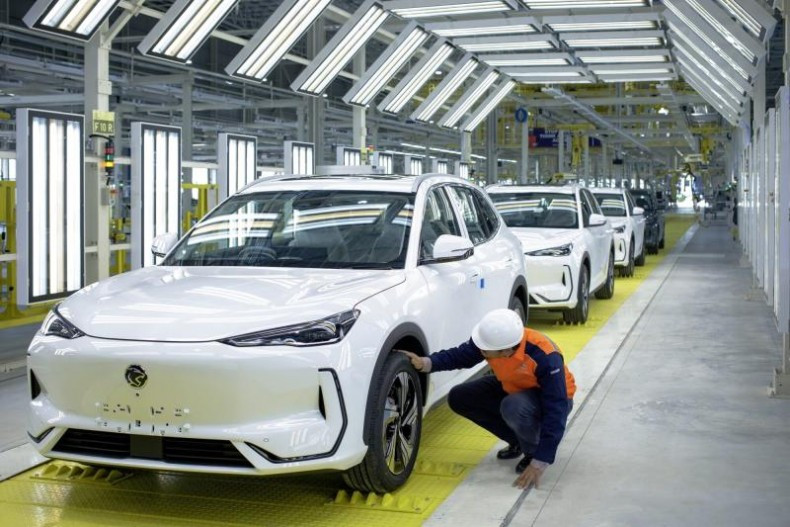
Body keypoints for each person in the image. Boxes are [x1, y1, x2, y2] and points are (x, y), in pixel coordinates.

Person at [399, 309, 576, 490]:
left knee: (513, 407)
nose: (480, 350)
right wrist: (426, 362)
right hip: (514, 386)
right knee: (460, 397)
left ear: (506, 351)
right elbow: (461, 355)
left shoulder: (545, 357)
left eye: (485, 349)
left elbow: (556, 408)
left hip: (553, 397)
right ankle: (518, 440)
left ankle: (531, 450)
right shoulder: (494, 344)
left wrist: (541, 460)